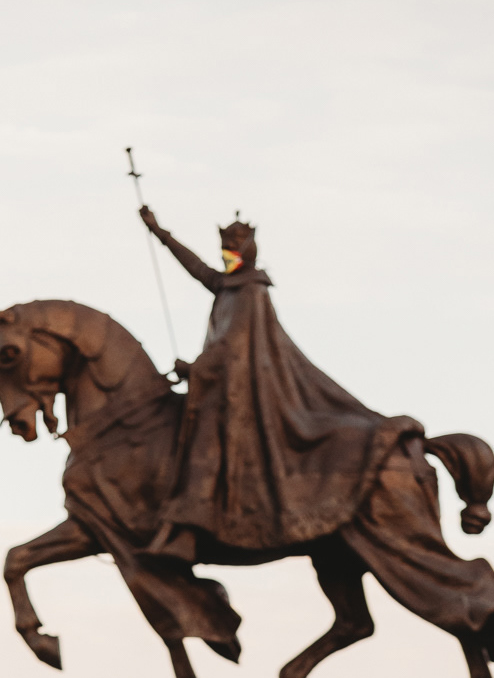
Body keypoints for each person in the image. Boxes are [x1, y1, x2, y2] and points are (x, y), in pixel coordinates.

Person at [138, 205, 414, 563]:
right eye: (224, 250)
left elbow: (231, 347)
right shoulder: (228, 285)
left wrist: (194, 369)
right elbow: (197, 268)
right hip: (221, 384)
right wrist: (159, 231)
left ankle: (191, 526)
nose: (226, 256)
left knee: (204, 439)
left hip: (243, 392)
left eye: (232, 250)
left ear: (247, 250)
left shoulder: (250, 291)